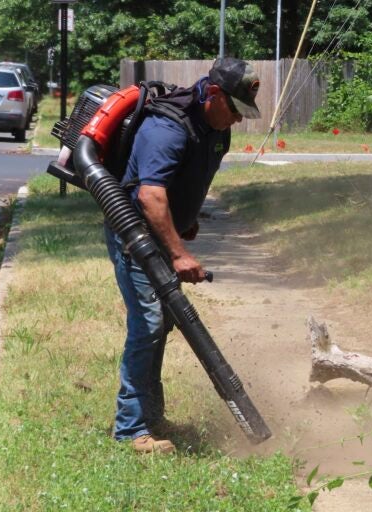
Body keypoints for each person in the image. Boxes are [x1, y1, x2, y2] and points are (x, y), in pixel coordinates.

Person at [103, 58, 261, 453]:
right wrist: (179, 253)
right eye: (235, 110)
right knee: (150, 323)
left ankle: (150, 417)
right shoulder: (167, 129)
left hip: (158, 231)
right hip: (134, 234)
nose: (239, 121)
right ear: (212, 94)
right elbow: (149, 195)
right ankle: (131, 429)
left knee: (159, 325)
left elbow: (187, 179)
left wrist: (184, 221)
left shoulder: (216, 129)